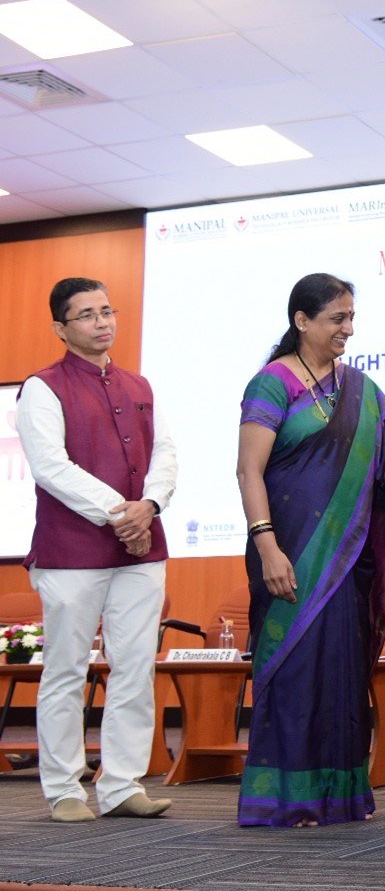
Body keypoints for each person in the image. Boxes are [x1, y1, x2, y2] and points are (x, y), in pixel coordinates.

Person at [235, 273, 385, 828]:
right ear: (302, 321)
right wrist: (268, 547)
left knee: (340, 675)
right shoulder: (272, 384)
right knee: (293, 674)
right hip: (288, 554)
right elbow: (249, 469)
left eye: (352, 317)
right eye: (337, 318)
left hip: (347, 560)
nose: (348, 329)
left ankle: (338, 797)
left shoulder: (361, 389)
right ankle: (285, 799)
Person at [16, 277, 176, 823]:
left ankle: (122, 784)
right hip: (71, 551)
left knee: (134, 667)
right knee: (66, 669)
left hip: (141, 547)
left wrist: (148, 507)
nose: (102, 322)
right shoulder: (43, 386)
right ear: (61, 328)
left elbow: (166, 454)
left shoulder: (139, 385)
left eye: (107, 311)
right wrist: (121, 513)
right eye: (86, 315)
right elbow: (50, 467)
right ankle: (64, 788)